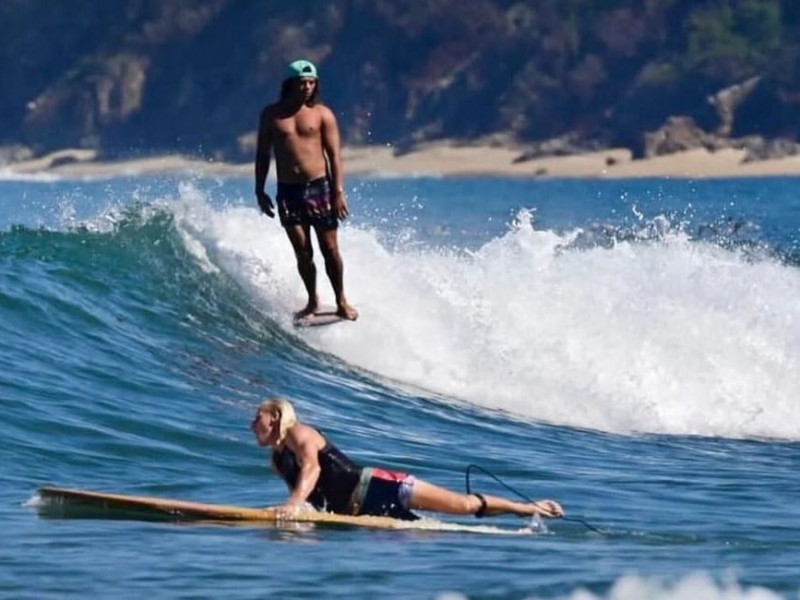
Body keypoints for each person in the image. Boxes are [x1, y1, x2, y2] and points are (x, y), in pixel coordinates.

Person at [250, 397, 565, 521]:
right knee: (424, 540)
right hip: (363, 513)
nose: (252, 424)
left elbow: (313, 467)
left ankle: (526, 508)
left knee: (463, 506)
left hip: (380, 487)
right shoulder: (277, 461)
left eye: (257, 417)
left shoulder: (298, 432)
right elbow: (315, 493)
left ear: (276, 416)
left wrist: (292, 504)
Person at [254, 59, 358, 321]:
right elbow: (263, 154)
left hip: (320, 188)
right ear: (290, 84)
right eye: (302, 83)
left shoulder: (323, 114)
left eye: (311, 83)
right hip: (288, 191)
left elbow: (334, 155)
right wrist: (259, 189)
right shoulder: (272, 115)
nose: (307, 88)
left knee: (330, 248)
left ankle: (341, 301)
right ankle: (313, 300)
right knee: (302, 251)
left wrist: (338, 192)